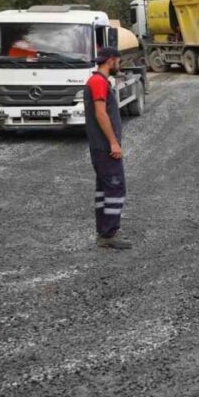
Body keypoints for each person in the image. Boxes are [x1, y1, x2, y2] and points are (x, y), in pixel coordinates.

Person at [84, 46, 132, 250]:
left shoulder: (99, 81)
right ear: (111, 60)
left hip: (100, 146)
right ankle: (108, 234)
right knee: (115, 187)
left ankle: (105, 231)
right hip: (104, 146)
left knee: (104, 189)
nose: (118, 65)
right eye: (118, 61)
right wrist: (113, 142)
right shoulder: (97, 82)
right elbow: (101, 113)